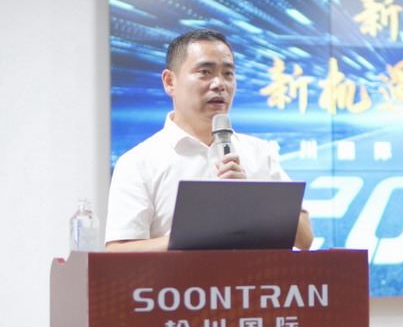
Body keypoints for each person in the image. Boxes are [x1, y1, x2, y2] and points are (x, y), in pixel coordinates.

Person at [105, 29, 313, 252]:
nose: (220, 84)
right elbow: (117, 251)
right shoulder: (139, 162)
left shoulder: (258, 152)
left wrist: (254, 199)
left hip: (251, 276)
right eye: (205, 72)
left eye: (228, 74)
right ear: (170, 82)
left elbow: (305, 240)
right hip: (177, 277)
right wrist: (194, 235)